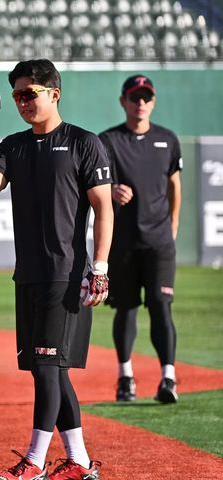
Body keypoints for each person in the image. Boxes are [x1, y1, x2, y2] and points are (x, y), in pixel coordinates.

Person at [0, 59, 114, 480]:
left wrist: (101, 268)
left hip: (66, 274)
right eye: (16, 95)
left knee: (48, 367)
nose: (22, 102)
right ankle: (79, 462)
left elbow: (104, 209)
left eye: (29, 93)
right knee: (49, 369)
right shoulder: (13, 145)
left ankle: (33, 463)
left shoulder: (84, 143)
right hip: (29, 274)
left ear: (54, 93)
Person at [98, 75, 182, 404]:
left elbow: (175, 187)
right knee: (127, 309)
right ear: (123, 101)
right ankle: (125, 376)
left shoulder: (167, 140)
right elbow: (95, 184)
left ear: (154, 101)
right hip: (123, 242)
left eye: (147, 97)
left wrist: (172, 228)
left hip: (159, 243)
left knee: (162, 306)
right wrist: (111, 190)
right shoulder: (108, 141)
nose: (141, 103)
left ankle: (168, 379)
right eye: (135, 97)